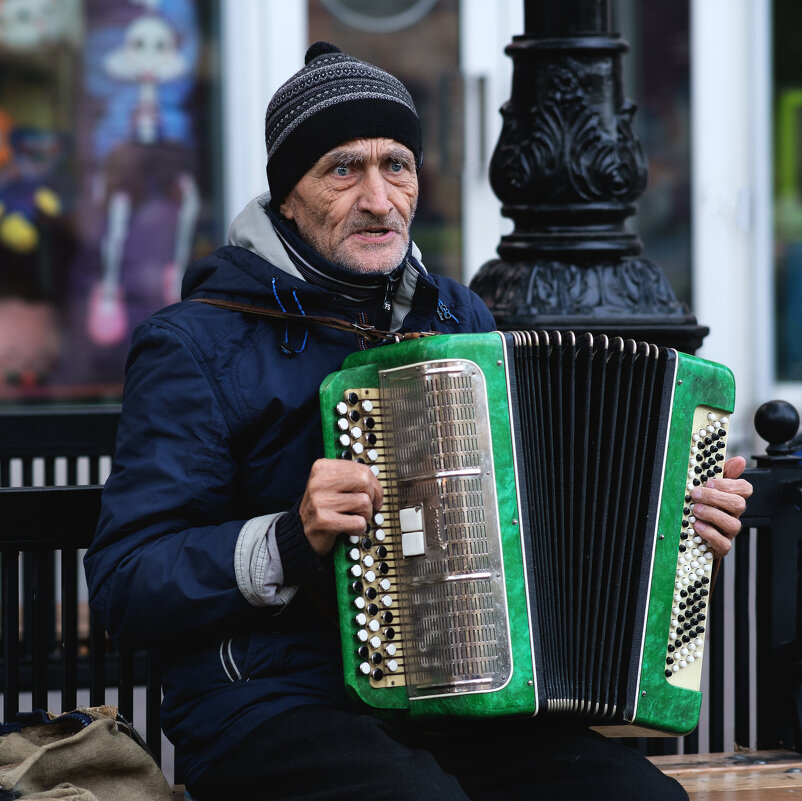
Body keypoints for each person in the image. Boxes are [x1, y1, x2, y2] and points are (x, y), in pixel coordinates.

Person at [84, 42, 752, 800]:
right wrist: (288, 539)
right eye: (343, 169)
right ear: (288, 196)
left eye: (396, 165)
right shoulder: (196, 342)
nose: (378, 197)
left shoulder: (455, 317)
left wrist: (678, 528)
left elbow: (537, 516)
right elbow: (124, 581)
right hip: (270, 701)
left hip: (464, 694)